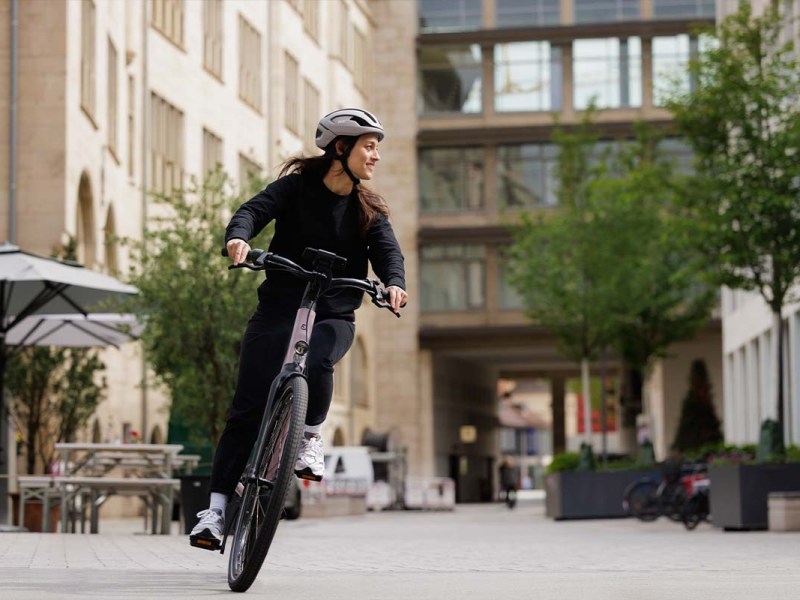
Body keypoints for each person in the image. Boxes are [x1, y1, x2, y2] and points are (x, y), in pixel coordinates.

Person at [190, 108, 408, 550]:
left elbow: (388, 253)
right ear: (341, 148)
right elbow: (254, 210)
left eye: (377, 149)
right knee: (246, 410)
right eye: (369, 146)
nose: (375, 157)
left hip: (334, 310)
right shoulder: (295, 189)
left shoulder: (368, 209)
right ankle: (213, 512)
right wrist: (238, 238)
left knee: (323, 353)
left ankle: (309, 436)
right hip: (279, 308)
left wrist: (394, 285)